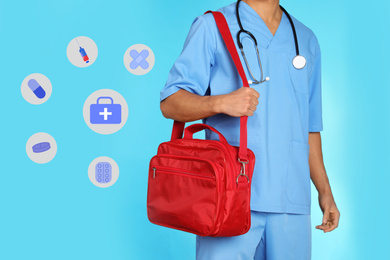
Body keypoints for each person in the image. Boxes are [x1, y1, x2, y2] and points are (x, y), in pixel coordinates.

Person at [159, 0, 340, 259]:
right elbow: (170, 103)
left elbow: (309, 127)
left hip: (291, 202)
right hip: (228, 197)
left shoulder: (306, 40)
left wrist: (325, 190)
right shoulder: (212, 27)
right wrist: (220, 102)